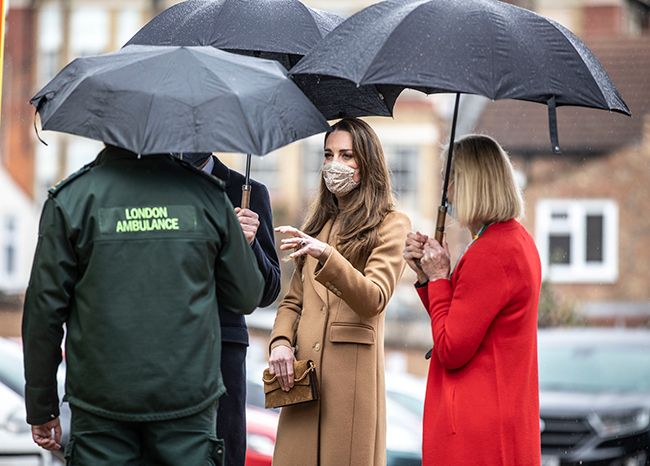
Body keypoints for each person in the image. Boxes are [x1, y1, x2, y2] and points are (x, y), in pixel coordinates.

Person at [22, 145, 264, 466]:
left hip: (100, 406)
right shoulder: (207, 196)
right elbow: (246, 295)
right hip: (186, 404)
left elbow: (43, 315)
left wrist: (42, 407)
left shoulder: (72, 199)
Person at [268, 117, 410, 466]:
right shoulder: (319, 224)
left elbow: (373, 298)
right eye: (328, 155)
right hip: (302, 383)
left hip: (350, 388)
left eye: (347, 155)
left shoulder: (392, 224)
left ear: (367, 162)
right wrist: (281, 343)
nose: (335, 164)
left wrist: (327, 255)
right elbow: (293, 301)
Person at [403, 134, 542, 466]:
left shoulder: (491, 253)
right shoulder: (512, 239)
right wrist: (428, 278)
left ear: (470, 185)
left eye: (448, 180)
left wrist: (439, 277)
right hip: (499, 413)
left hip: (476, 426)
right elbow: (463, 321)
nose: (445, 191)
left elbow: (451, 348)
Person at [179, 152, 281, 466]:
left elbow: (268, 290)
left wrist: (247, 244)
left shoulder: (247, 191)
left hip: (223, 350)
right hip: (168, 346)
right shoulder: (155, 184)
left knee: (224, 452)